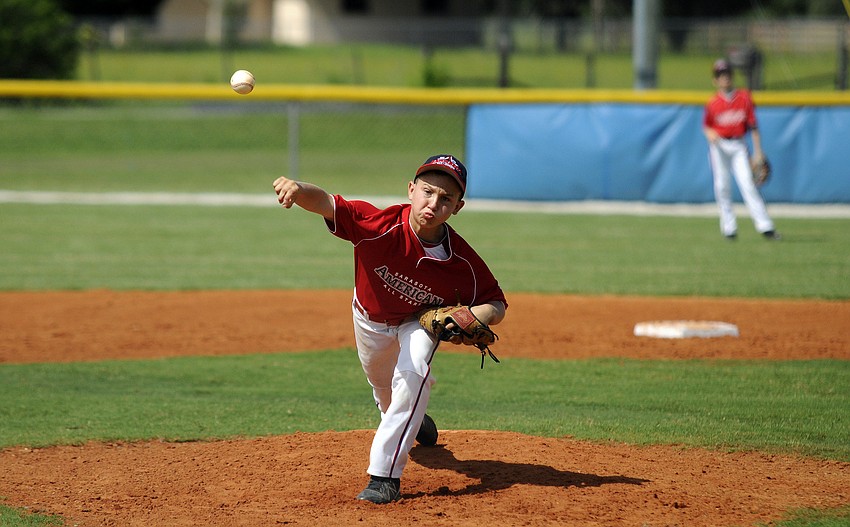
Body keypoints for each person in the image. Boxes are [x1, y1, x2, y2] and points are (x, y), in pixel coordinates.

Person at [272, 154, 508, 504]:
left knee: (413, 376)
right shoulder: (378, 224)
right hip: (369, 319)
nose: (434, 203)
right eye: (428, 192)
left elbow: (497, 303)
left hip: (418, 322)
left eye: (446, 199)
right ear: (411, 190)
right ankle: (415, 420)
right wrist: (297, 188)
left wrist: (475, 316)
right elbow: (327, 204)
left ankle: (384, 476)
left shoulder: (461, 261)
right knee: (386, 392)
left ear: (458, 207)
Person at [703, 58, 780, 241]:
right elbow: (707, 126)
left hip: (738, 145)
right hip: (719, 146)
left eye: (727, 74)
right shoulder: (713, 103)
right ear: (715, 80)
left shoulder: (744, 97)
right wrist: (710, 134)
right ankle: (729, 229)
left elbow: (753, 127)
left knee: (748, 184)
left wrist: (758, 152)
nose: (725, 78)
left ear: (732, 76)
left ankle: (765, 227)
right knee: (722, 186)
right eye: (720, 75)